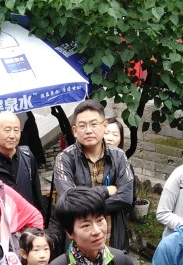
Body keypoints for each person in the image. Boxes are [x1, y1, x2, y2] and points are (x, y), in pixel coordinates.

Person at [53, 99, 135, 250]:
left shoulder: (119, 156)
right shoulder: (64, 159)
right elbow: (70, 201)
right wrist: (106, 190)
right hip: (78, 243)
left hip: (113, 238)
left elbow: (126, 197)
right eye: (82, 126)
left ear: (104, 126)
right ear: (74, 130)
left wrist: (84, 204)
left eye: (93, 124)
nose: (88, 130)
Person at [0, 111, 44, 218]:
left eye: (16, 130)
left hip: (27, 224)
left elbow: (36, 195)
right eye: (7, 130)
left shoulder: (27, 156)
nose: (12, 136)